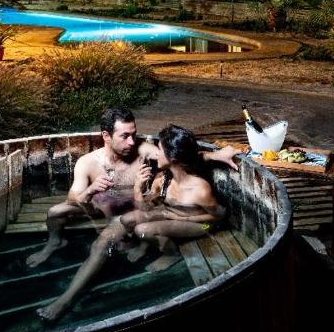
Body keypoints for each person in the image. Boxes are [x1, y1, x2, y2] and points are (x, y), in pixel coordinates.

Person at [37, 125, 225, 322]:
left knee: (143, 230)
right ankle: (68, 296)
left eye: (159, 150)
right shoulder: (163, 179)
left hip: (203, 225)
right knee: (125, 221)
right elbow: (144, 209)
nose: (155, 153)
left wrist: (182, 218)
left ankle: (172, 254)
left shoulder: (200, 189)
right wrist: (138, 188)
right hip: (170, 214)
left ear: (174, 159)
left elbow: (219, 216)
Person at [25, 108, 237, 269]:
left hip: (138, 206)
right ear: (106, 136)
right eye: (124, 136)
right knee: (55, 212)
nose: (132, 141)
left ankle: (148, 247)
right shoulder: (87, 162)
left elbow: (178, 156)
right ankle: (54, 242)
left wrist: (215, 155)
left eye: (133, 134)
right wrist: (90, 191)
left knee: (138, 228)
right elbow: (74, 200)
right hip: (104, 205)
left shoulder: (144, 150)